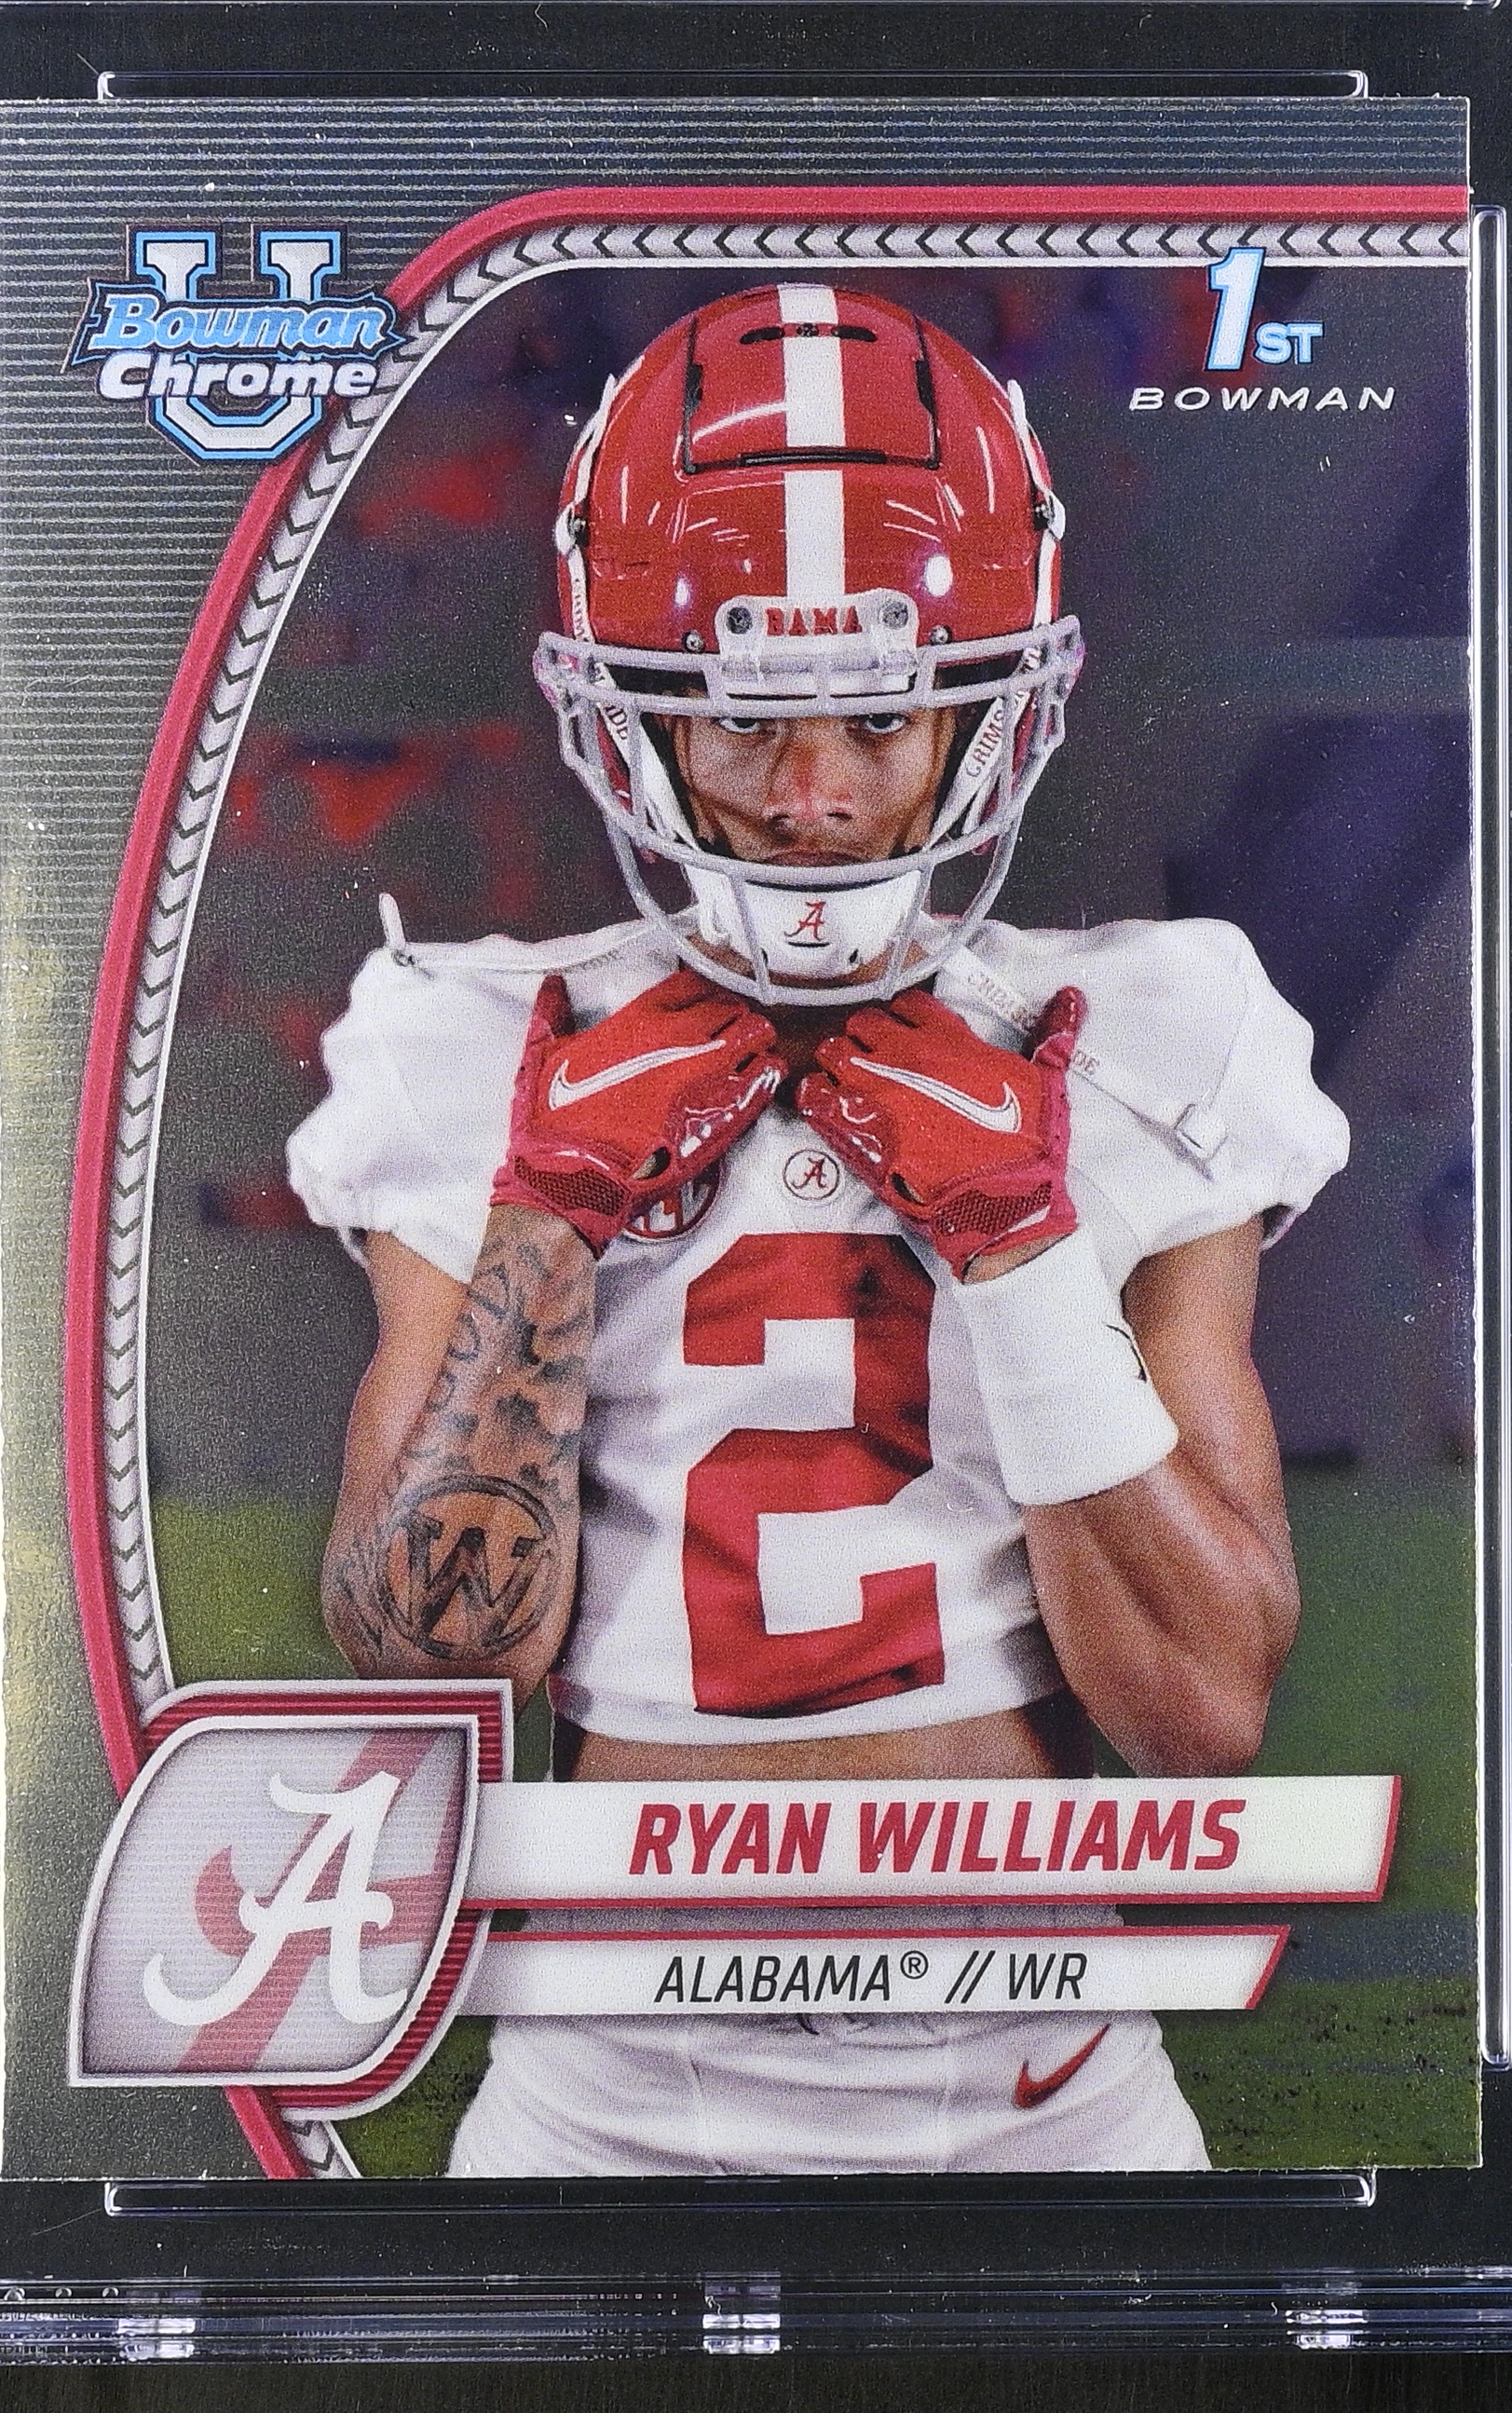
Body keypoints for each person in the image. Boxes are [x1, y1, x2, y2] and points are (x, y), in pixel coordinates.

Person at [289, 279, 1349, 2174]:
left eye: (879, 708)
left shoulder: (1141, 1030)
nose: (815, 795)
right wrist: (546, 1218)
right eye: (736, 721)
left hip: (1048, 2081)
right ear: (625, 720)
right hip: (601, 2085)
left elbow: (1200, 1711)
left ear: (991, 710)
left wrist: (1018, 1242)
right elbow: (430, 1669)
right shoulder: (480, 1044)